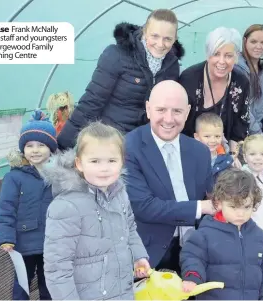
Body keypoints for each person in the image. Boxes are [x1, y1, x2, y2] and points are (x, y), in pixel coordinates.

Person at [41, 122, 150, 300]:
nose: (104, 168)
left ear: (122, 161)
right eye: (95, 161)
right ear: (79, 163)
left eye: (112, 160)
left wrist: (138, 256)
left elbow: (129, 227)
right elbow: (57, 269)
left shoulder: (119, 194)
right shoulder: (66, 207)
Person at [57, 9, 184, 150]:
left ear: (175, 38)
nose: (160, 44)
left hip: (144, 143)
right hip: (110, 140)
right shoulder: (117, 55)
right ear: (144, 31)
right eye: (155, 36)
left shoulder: (172, 66)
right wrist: (63, 145)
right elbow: (92, 101)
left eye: (168, 39)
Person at [124, 80, 216, 274]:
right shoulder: (129, 148)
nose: (168, 119)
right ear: (148, 109)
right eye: (161, 110)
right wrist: (201, 207)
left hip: (195, 251)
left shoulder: (200, 151)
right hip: (149, 254)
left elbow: (213, 196)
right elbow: (144, 207)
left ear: (188, 111)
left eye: (177, 111)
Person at [180, 168, 263, 300]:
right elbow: (192, 257)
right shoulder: (204, 235)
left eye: (247, 207)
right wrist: (192, 277)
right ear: (219, 203)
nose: (241, 213)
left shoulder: (261, 238)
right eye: (233, 207)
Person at [0, 110, 57, 300]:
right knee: (22, 284)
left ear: (51, 148)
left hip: (52, 243)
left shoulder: (59, 176)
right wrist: (5, 237)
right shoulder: (14, 177)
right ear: (23, 149)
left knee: (50, 285)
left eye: (41, 145)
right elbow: (5, 208)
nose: (35, 150)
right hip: (24, 243)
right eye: (29, 146)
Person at [179, 27, 252, 162]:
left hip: (222, 153)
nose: (222, 61)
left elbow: (241, 125)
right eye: (216, 54)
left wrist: (232, 155)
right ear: (207, 55)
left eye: (228, 55)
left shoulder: (241, 82)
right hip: (187, 152)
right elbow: (178, 121)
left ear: (236, 56)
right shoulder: (189, 78)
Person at [234, 24, 263, 135]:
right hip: (239, 134)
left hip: (258, 135)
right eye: (253, 42)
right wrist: (258, 133)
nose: (258, 46)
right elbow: (242, 107)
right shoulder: (236, 69)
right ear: (245, 41)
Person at [194, 112, 234, 181]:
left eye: (217, 136)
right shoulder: (191, 158)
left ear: (222, 136)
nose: (213, 140)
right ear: (197, 137)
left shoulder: (226, 159)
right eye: (207, 136)